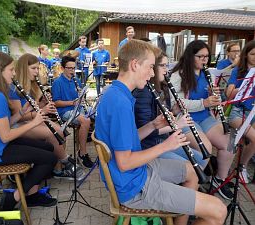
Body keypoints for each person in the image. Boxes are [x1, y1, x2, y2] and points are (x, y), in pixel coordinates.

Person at [95, 40, 226, 225]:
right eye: (149, 67)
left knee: (191, 171)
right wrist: (167, 145)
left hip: (133, 173)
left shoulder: (116, 93)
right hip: (133, 186)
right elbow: (124, 163)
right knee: (219, 211)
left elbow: (126, 142)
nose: (151, 73)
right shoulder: (120, 104)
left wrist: (153, 126)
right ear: (134, 64)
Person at [0, 51, 57, 210]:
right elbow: (6, 136)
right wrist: (34, 122)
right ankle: (14, 197)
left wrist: (21, 112)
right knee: (49, 158)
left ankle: (31, 194)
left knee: (47, 147)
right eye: (11, 70)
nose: (14, 73)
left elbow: (6, 124)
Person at [170, 40, 235, 200]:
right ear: (190, 56)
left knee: (230, 143)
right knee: (204, 148)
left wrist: (215, 99)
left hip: (205, 117)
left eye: (207, 57)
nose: (205, 60)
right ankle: (194, 184)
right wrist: (203, 103)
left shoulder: (208, 74)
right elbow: (175, 102)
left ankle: (219, 180)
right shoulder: (178, 75)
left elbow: (210, 99)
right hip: (186, 119)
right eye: (201, 57)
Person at [9, 53, 85, 180]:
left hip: (32, 121)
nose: (37, 71)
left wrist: (43, 103)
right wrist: (42, 110)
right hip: (19, 125)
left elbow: (32, 107)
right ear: (23, 69)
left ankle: (57, 168)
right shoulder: (13, 89)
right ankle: (65, 161)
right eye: (34, 68)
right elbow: (20, 116)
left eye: (38, 68)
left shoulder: (30, 86)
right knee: (52, 132)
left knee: (60, 131)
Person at [133, 51, 211, 168]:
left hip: (163, 139)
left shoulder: (163, 87)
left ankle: (192, 180)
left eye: (167, 65)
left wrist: (175, 111)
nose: (166, 70)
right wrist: (177, 125)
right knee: (190, 167)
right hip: (150, 145)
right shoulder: (143, 93)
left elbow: (164, 116)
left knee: (202, 159)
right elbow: (146, 131)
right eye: (163, 66)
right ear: (152, 67)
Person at [52, 56, 94, 168]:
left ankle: (90, 142)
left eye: (73, 68)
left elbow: (79, 98)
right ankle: (82, 153)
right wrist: (72, 103)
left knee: (94, 114)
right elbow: (56, 102)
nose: (72, 71)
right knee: (85, 121)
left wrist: (81, 95)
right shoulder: (58, 82)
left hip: (76, 108)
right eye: (69, 68)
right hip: (64, 110)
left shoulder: (77, 80)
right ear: (62, 68)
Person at [226, 40, 255, 183]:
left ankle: (241, 165)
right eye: (253, 54)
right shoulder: (237, 71)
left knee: (245, 141)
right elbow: (228, 93)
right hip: (237, 111)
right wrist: (244, 87)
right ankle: (241, 167)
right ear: (246, 55)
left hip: (252, 112)